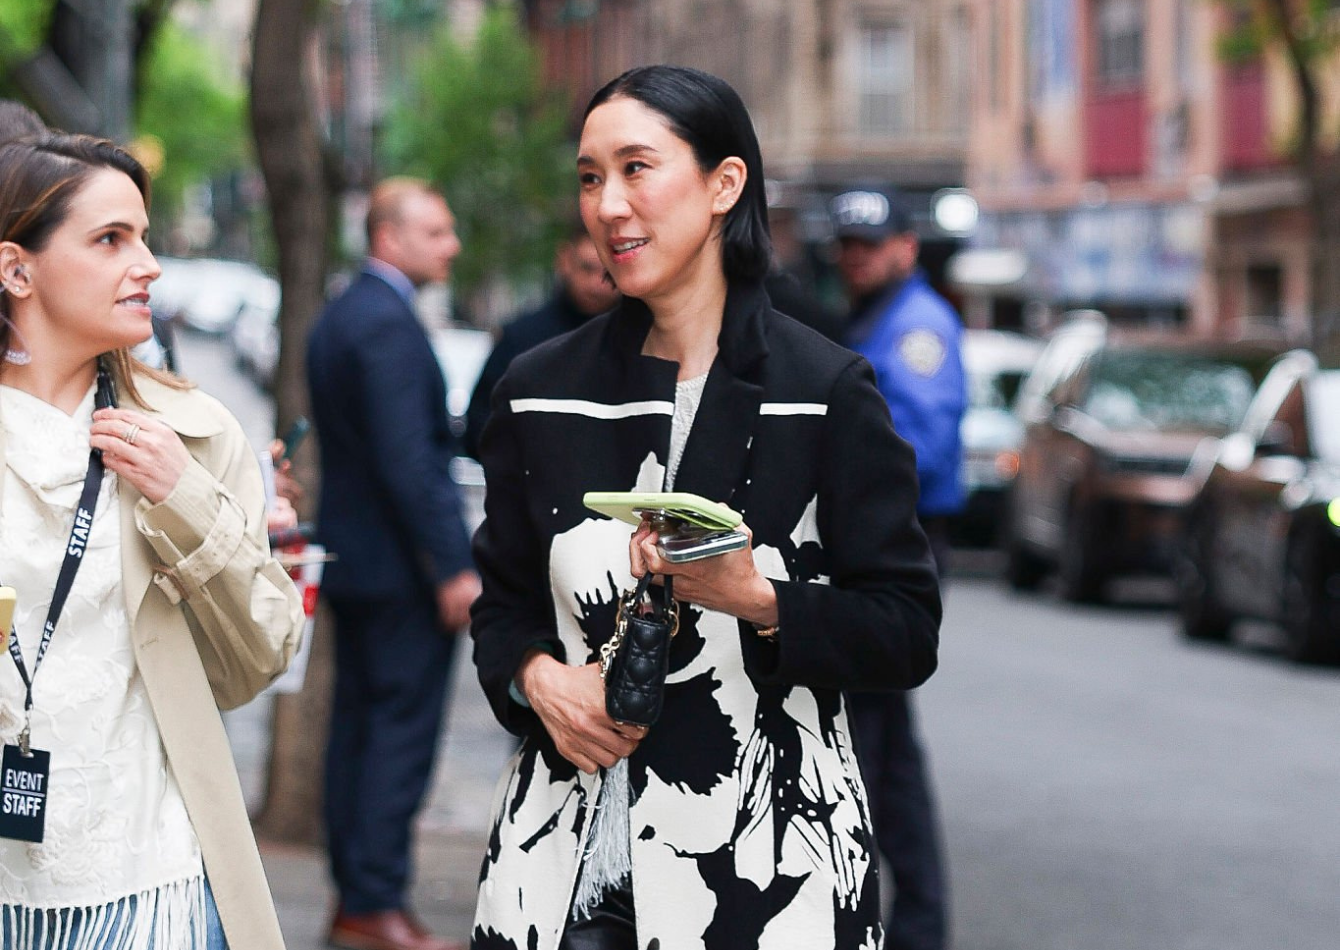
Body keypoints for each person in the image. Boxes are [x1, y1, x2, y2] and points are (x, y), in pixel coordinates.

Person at [469, 65, 941, 950]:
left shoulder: (827, 391)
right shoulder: (538, 394)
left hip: (773, 874)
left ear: (725, 184)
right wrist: (538, 682)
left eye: (637, 168)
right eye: (589, 176)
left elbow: (908, 629)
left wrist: (758, 598)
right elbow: (502, 610)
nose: (609, 204)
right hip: (564, 864)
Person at [0, 133, 304, 949]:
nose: (149, 264)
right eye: (110, 240)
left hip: (151, 883)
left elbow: (262, 655)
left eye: (143, 234)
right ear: (16, 270)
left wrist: (186, 501)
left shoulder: (194, 436)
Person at [307, 177, 482, 950]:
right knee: (396, 739)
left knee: (359, 730)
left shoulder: (346, 313)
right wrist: (451, 566)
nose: (451, 246)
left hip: (357, 563)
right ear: (390, 237)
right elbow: (409, 460)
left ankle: (357, 896)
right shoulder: (385, 323)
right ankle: (374, 902)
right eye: (437, 233)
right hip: (399, 572)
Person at [830, 184, 966, 950]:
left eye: (870, 245)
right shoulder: (876, 317)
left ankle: (903, 920)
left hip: (896, 547)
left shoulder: (916, 326)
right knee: (884, 743)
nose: (856, 258)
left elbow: (916, 450)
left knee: (871, 742)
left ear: (906, 247)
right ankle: (914, 920)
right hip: (883, 546)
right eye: (847, 247)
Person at [463, 221, 619, 459]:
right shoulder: (521, 337)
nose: (597, 284)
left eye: (608, 273)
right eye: (587, 268)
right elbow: (481, 425)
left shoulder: (642, 339)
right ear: (565, 260)